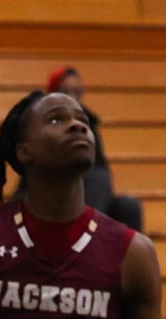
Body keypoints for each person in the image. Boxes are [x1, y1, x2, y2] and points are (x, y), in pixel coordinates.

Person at [0, 90, 166, 319]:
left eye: (83, 120)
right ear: (24, 150)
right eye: (56, 120)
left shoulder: (133, 253)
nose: (78, 125)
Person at [47, 66, 144, 232]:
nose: (73, 97)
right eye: (66, 92)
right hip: (55, 194)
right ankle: (86, 240)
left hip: (89, 197)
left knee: (127, 206)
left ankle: (91, 239)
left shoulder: (88, 122)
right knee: (95, 179)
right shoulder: (43, 124)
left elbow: (101, 171)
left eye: (77, 91)